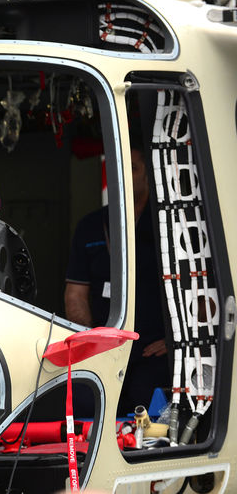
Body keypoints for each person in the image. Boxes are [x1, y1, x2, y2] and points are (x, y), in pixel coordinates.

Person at [64, 147, 170, 416]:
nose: (124, 175)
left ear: (149, 174)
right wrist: (91, 342)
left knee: (145, 396)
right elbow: (75, 295)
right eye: (118, 168)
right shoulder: (90, 226)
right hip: (106, 348)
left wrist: (174, 341)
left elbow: (198, 289)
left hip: (155, 349)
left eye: (133, 168)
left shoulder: (168, 224)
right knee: (84, 401)